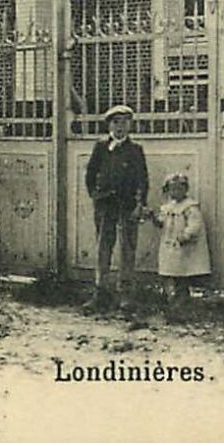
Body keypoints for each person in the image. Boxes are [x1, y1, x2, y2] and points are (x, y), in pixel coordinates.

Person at [82, 104, 149, 312]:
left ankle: (125, 295)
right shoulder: (101, 147)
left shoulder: (135, 150)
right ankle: (100, 293)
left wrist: (140, 204)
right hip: (105, 205)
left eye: (124, 122)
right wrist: (95, 195)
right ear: (109, 125)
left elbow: (142, 180)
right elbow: (90, 175)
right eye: (115, 122)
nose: (120, 127)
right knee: (103, 247)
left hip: (127, 205)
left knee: (127, 248)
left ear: (130, 125)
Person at [151, 172, 211, 315]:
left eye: (179, 189)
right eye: (172, 189)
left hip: (183, 246)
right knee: (169, 271)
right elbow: (162, 222)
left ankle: (182, 299)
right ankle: (169, 298)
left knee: (181, 273)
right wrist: (154, 218)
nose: (175, 193)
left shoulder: (190, 207)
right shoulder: (168, 207)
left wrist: (187, 234)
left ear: (185, 190)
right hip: (170, 244)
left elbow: (195, 225)